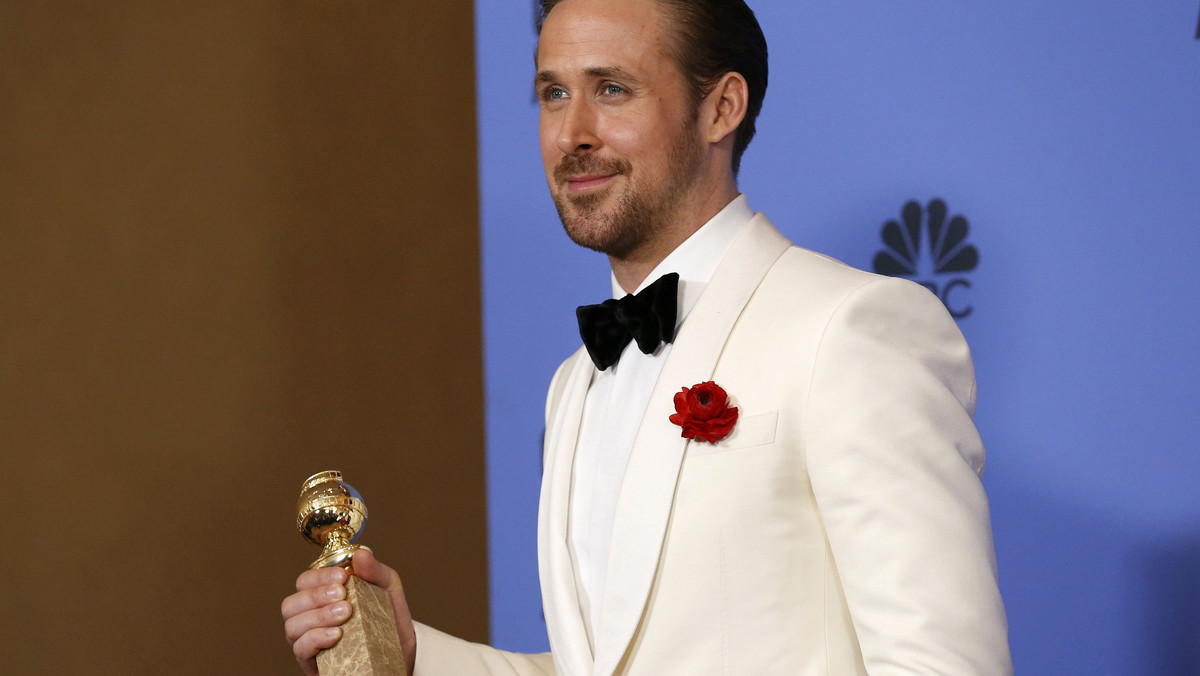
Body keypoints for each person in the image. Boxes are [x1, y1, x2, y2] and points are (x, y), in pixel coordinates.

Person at [282, 0, 1013, 673]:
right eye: (553, 94)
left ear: (722, 106)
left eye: (612, 90)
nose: (573, 136)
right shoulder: (575, 381)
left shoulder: (848, 328)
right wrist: (413, 658)